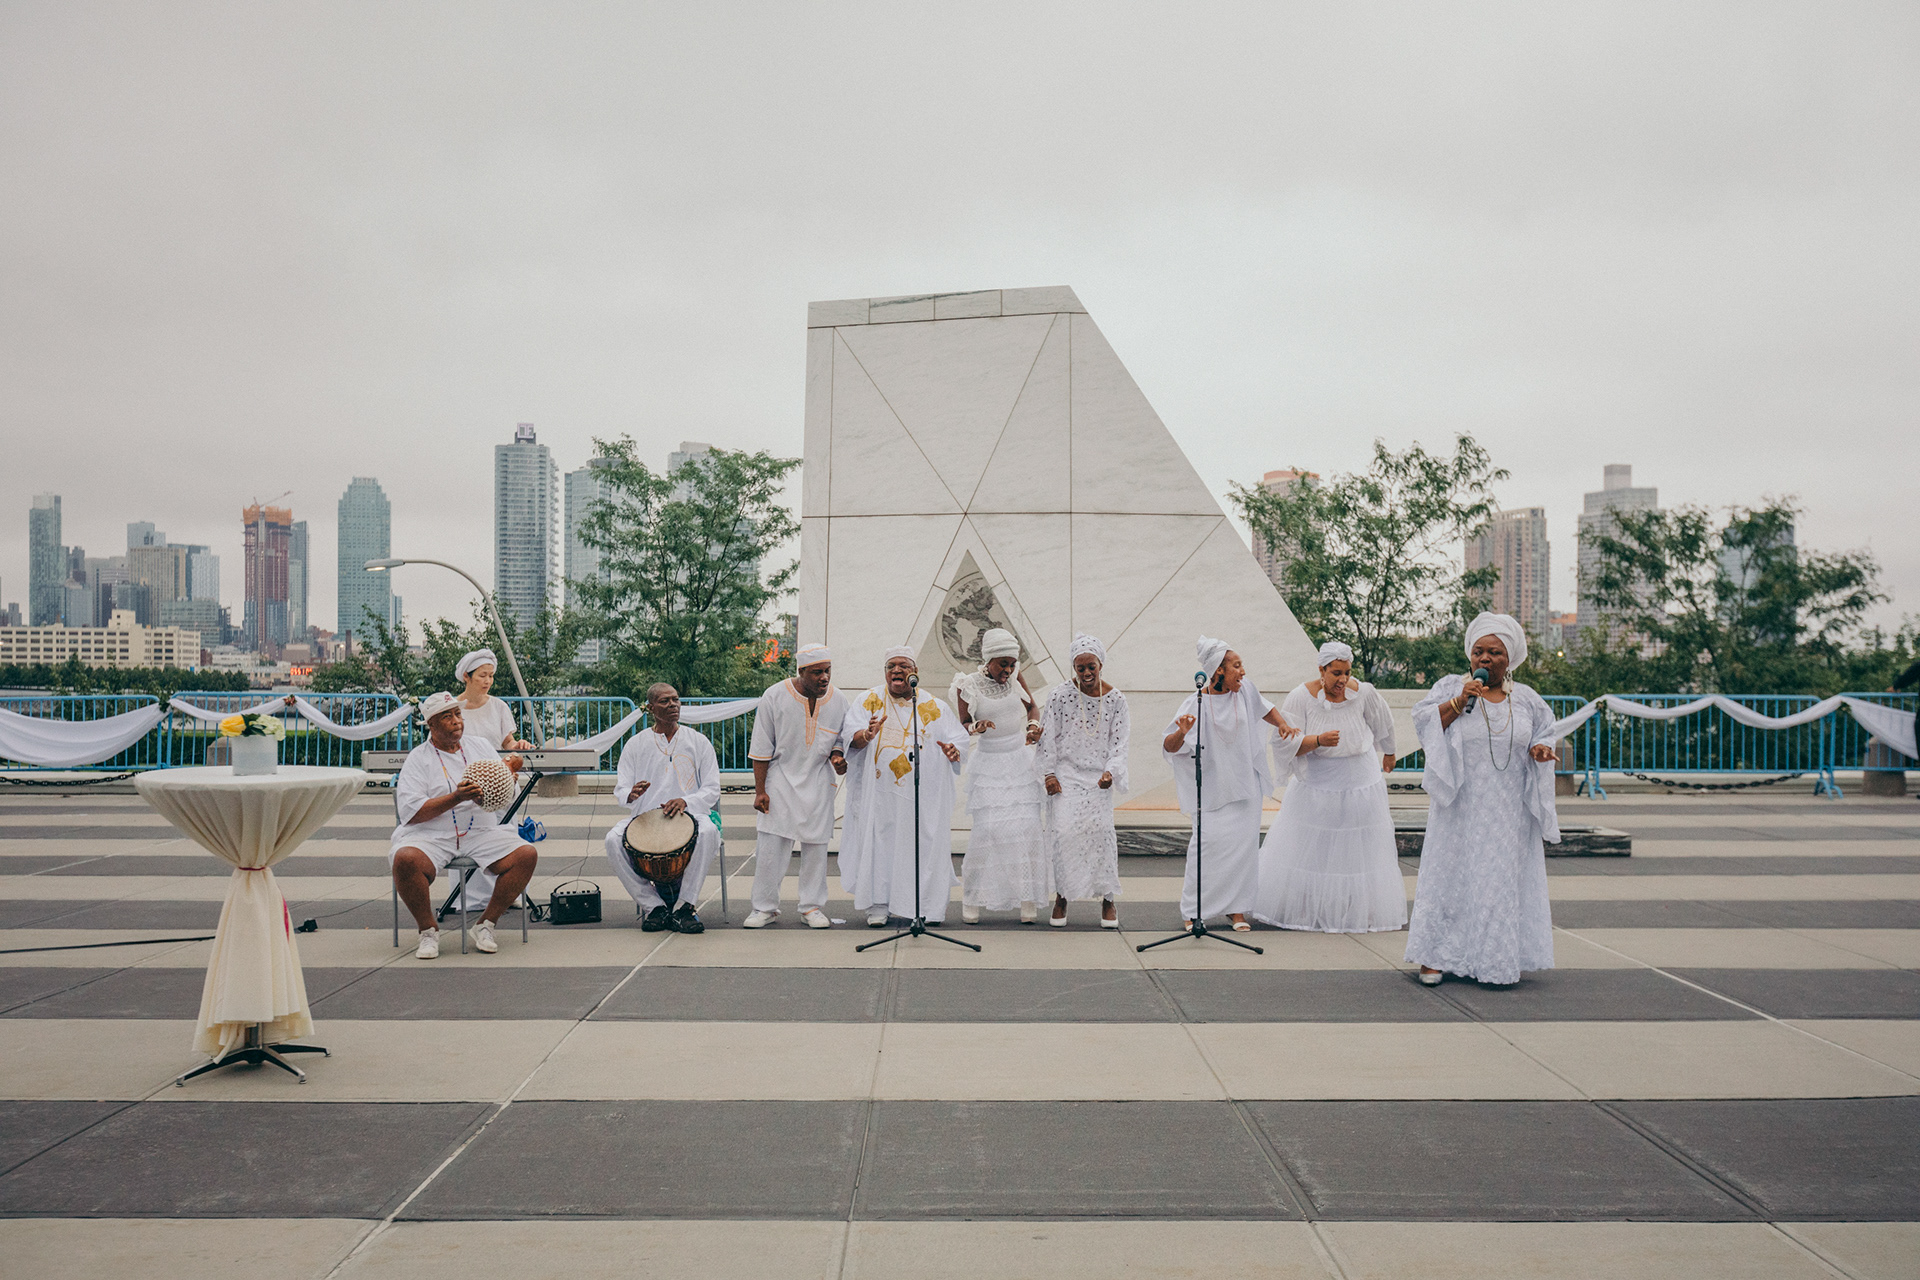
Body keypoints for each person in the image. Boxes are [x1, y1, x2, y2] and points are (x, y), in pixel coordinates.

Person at [1404, 612, 1562, 986]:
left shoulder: (1526, 698)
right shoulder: (1452, 687)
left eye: (1494, 652)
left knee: (1497, 881)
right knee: (1450, 876)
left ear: (1510, 659)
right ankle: (1434, 957)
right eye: (1479, 652)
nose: (1485, 659)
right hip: (1460, 805)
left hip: (1507, 812)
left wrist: (1540, 749)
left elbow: (1545, 731)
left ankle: (1493, 959)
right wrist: (1459, 701)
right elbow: (1424, 723)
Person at [1252, 640, 1407, 934]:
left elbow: (1382, 721)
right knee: (1314, 846)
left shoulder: (1363, 693)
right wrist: (1318, 740)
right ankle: (1307, 907)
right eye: (1336, 673)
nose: (1343, 680)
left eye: (1347, 672)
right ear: (1321, 670)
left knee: (1359, 846)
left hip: (1361, 780)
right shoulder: (1300, 697)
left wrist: (1389, 751)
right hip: (1318, 782)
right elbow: (1284, 743)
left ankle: (1357, 909)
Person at [1162, 636, 1299, 932]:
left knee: (1243, 850)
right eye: (1236, 666)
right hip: (1212, 789)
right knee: (1205, 848)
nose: (1243, 671)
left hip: (1245, 785)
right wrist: (1182, 732)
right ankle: (1193, 910)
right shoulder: (1194, 703)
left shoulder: (1246, 690)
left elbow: (1265, 708)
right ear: (1218, 670)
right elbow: (1169, 747)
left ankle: (1236, 910)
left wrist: (1282, 724)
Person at [389, 691, 539, 959]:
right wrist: (456, 797)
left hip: (480, 831)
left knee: (526, 855)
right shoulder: (418, 758)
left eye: (458, 714)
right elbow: (411, 812)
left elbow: (506, 799)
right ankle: (428, 931)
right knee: (405, 859)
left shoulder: (480, 746)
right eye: (447, 717)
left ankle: (486, 924)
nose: (456, 721)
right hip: (433, 835)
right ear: (431, 724)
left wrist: (506, 782)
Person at [838, 646, 968, 927]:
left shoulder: (934, 705)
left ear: (915, 672)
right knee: (879, 844)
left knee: (923, 846)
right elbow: (850, 737)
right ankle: (878, 905)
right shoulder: (868, 700)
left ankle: (926, 908)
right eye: (891, 666)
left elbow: (958, 738)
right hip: (880, 795)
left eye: (903, 666)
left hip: (922, 796)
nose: (896, 670)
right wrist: (866, 734)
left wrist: (954, 750)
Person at [744, 643, 850, 929]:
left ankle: (811, 907)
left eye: (827, 671)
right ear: (801, 671)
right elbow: (761, 747)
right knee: (771, 849)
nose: (824, 677)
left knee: (816, 848)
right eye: (817, 672)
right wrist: (760, 790)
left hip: (819, 781)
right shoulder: (774, 696)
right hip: (779, 781)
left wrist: (837, 756)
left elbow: (840, 738)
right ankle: (764, 908)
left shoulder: (839, 700)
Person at [603, 682, 722, 934]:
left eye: (676, 700)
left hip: (691, 815)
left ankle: (684, 906)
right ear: (650, 708)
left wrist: (686, 801)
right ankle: (653, 906)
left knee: (709, 831)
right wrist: (630, 794)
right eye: (665, 701)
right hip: (645, 818)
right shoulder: (635, 744)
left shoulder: (698, 741)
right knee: (612, 839)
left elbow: (712, 788)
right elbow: (621, 788)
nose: (673, 705)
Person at [952, 628, 1048, 924]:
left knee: (1027, 827)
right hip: (989, 764)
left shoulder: (1016, 676)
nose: (1007, 670)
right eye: (1002, 664)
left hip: (1019, 761)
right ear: (988, 660)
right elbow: (963, 723)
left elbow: (1032, 707)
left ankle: (1027, 898)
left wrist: (1032, 726)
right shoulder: (967, 684)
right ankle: (971, 898)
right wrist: (976, 727)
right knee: (987, 830)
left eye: (1011, 664)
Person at [1036, 633, 1130, 928]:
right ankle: (1062, 896)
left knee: (1101, 835)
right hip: (1066, 776)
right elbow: (1048, 737)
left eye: (1092, 667)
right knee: (1064, 835)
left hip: (1098, 778)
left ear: (1101, 664)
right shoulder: (1059, 695)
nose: (1087, 673)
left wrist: (1110, 772)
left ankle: (1108, 899)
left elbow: (1120, 744)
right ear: (1073, 668)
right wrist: (1049, 774)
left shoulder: (1117, 700)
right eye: (1081, 668)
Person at [448, 647, 534, 913]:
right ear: (467, 676)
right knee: (469, 833)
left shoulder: (498, 706)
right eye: (482, 675)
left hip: (499, 780)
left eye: (491, 676)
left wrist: (517, 745)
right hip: (467, 781)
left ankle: (508, 892)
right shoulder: (453, 708)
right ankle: (468, 897)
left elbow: (507, 742)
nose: (487, 681)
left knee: (504, 832)